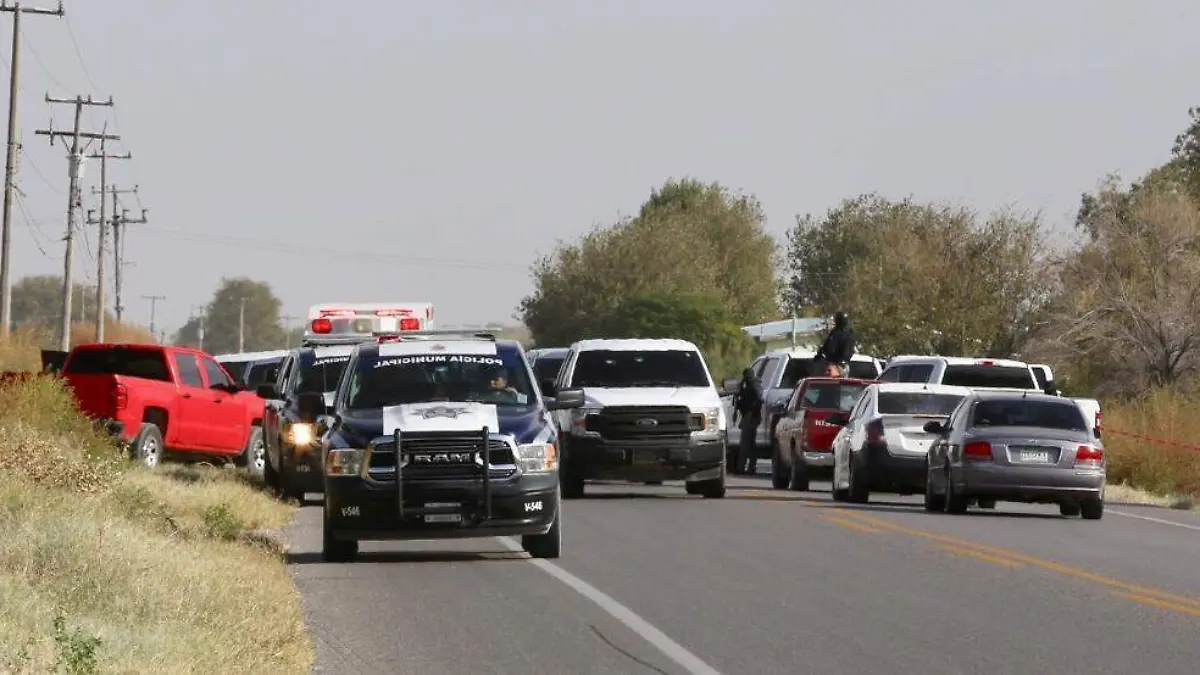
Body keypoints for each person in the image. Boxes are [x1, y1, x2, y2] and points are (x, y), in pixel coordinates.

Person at [732, 367, 763, 475]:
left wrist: (751, 411)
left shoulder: (754, 385)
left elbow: (759, 399)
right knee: (749, 443)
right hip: (749, 416)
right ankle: (750, 467)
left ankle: (742, 467)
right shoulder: (748, 386)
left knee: (745, 443)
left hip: (751, 417)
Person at [815, 311, 856, 378]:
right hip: (838, 364)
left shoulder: (843, 333)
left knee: (832, 383)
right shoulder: (837, 332)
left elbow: (846, 350)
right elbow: (826, 345)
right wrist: (819, 355)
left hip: (838, 364)